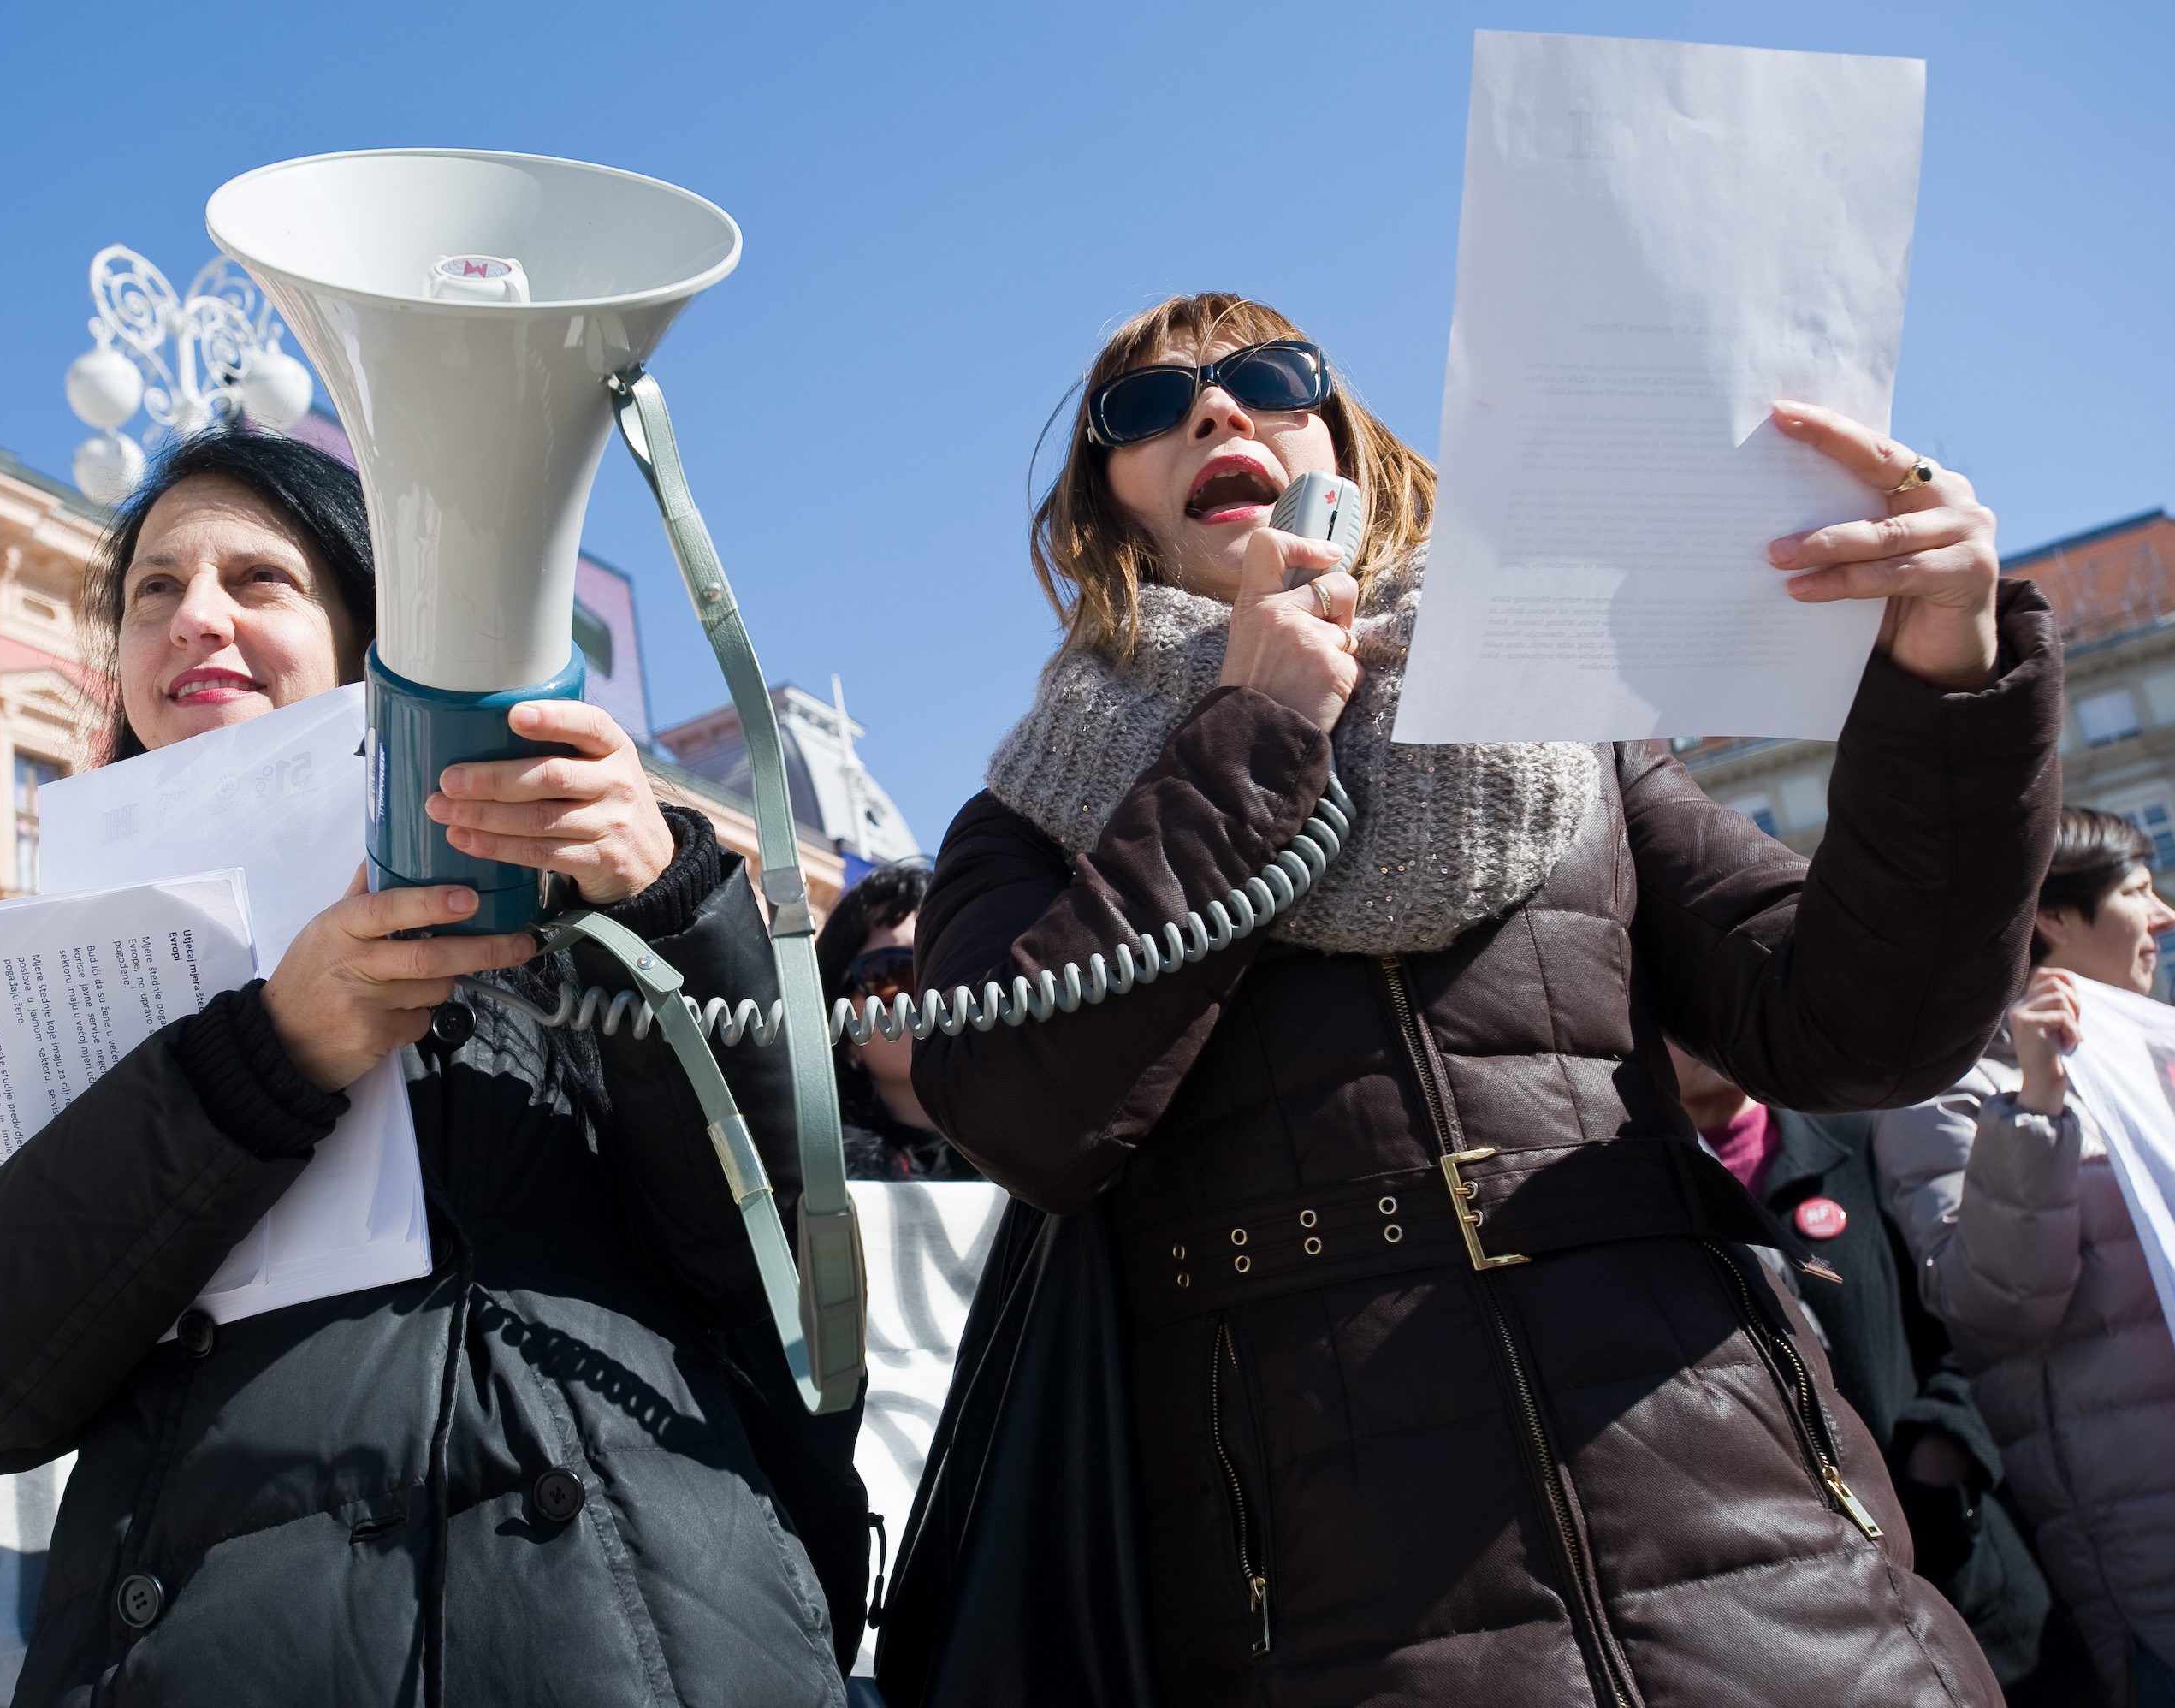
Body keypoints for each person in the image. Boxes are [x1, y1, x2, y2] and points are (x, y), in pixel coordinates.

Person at [909, 293, 2052, 1705]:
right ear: (1111, 508)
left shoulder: (1557, 710)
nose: (1214, 411)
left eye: (1267, 377)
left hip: (1777, 1590)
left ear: (1349, 444)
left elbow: (1864, 1030)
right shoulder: (1025, 820)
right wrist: (1247, 738)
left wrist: (1951, 674)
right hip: (1335, 1629)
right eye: (1147, 406)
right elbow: (1020, 1116)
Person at [0, 430, 862, 1706]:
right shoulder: (68, 975)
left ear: (370, 639)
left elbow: (786, 1277)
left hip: (621, 1645)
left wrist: (670, 907)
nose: (192, 618)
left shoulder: (565, 911)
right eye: (153, 589)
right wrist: (259, 1063)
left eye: (258, 581)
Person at [1668, 1043, 2097, 1707]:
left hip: (1973, 1581)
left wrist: (1941, 1456)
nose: (1693, 1038)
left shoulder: (1859, 1139)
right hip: (1815, 1635)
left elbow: (1959, 1323)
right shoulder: (1655, 1207)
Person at [1877, 807, 2175, 1707]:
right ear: (2051, 918)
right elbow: (1993, 1307)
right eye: (2136, 891)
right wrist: (2037, 1112)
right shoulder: (1951, 1081)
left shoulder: (2159, 1057)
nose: (2164, 915)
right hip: (2152, 1557)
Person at [818, 861, 975, 1181]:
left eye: (951, 964)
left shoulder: (1051, 1149)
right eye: (896, 972)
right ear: (844, 1034)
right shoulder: (813, 1172)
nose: (934, 992)